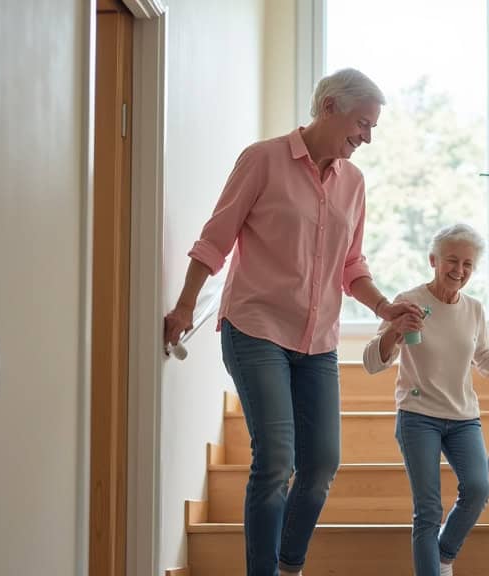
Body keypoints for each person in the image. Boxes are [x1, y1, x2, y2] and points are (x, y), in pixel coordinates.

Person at [163, 68, 422, 576]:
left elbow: (352, 265)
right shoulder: (263, 160)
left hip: (317, 340)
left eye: (372, 127)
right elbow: (216, 238)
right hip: (256, 328)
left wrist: (384, 308)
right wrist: (186, 304)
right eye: (362, 123)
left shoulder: (353, 182)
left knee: (322, 462)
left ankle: (288, 566)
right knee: (276, 458)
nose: (368, 137)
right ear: (328, 107)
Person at [362, 223, 489, 576]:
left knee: (478, 489)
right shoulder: (409, 301)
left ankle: (443, 558)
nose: (459, 270)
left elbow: (483, 352)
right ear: (433, 260)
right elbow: (373, 361)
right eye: (452, 260)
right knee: (428, 510)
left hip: (463, 416)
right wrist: (394, 330)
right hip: (418, 415)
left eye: (468, 264)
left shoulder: (474, 309)